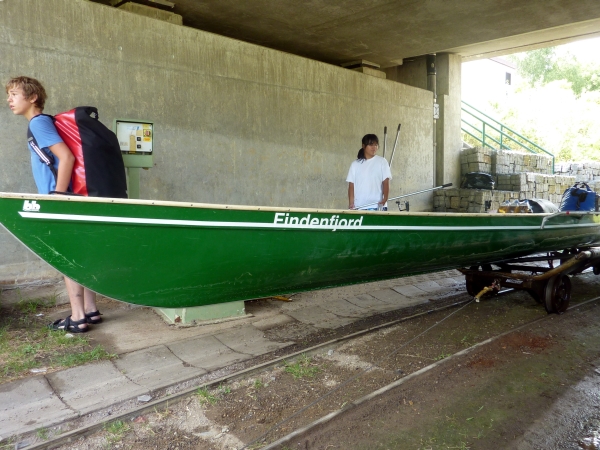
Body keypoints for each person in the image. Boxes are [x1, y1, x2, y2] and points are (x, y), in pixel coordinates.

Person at [6, 76, 102, 333]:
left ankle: (78, 316)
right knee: (81, 254)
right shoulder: (43, 123)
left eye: (14, 94)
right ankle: (90, 310)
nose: (9, 100)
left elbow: (65, 157)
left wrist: (57, 196)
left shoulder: (38, 123)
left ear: (32, 97)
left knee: (66, 257)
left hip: (62, 197)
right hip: (72, 197)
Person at [346, 134, 392, 210]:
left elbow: (385, 182)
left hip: (377, 205)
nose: (374, 147)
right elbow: (351, 185)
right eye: (371, 145)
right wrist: (351, 203)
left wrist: (385, 198)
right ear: (363, 146)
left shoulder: (382, 161)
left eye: (376, 145)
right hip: (359, 206)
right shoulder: (355, 164)